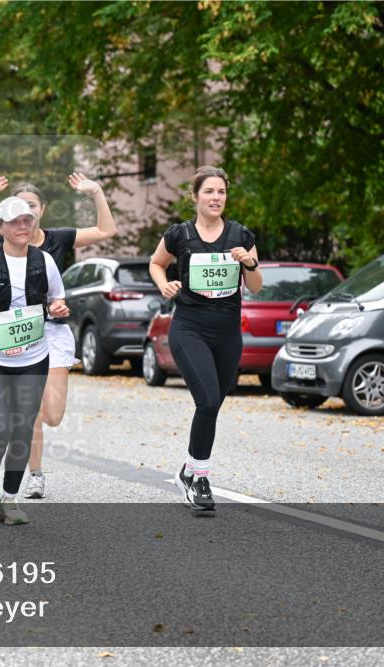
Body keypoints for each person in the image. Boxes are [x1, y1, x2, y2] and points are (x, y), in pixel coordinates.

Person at [0, 173, 116, 499]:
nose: (25, 217)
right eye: (18, 210)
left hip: (48, 334)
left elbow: (106, 231)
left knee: (51, 415)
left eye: (31, 208)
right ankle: (32, 475)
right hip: (3, 340)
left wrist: (95, 191)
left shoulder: (58, 241)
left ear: (42, 210)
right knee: (27, 414)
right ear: (5, 223)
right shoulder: (0, 244)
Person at [148, 166, 261, 512]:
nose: (216, 198)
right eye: (209, 191)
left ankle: (188, 469)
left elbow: (256, 287)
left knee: (215, 403)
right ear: (195, 197)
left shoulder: (241, 235)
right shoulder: (179, 235)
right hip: (190, 327)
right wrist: (163, 283)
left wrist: (248, 265)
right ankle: (200, 479)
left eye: (221, 192)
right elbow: (156, 263)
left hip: (227, 332)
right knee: (207, 402)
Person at [0, 196, 68, 525]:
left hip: (34, 357)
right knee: (0, 423)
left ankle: (10, 498)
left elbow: (56, 298)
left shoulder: (44, 261)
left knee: (22, 429)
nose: (23, 225)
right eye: (15, 221)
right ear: (0, 227)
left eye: (28, 220)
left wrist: (59, 308)